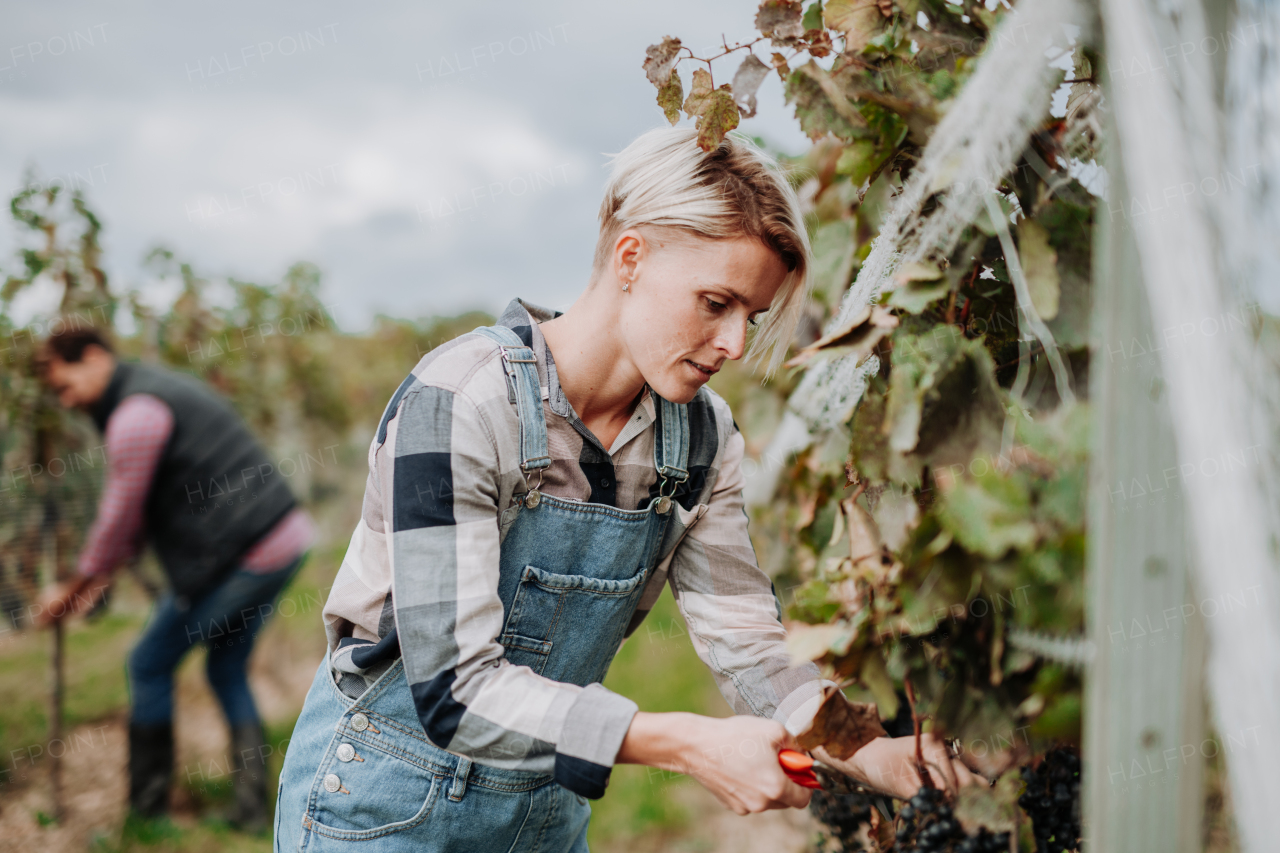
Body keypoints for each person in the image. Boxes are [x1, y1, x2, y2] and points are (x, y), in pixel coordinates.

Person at [274, 127, 973, 852]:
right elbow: (455, 688)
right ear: (630, 257)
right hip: (386, 806)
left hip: (540, 812)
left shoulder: (700, 437)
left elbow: (745, 639)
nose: (735, 343)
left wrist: (865, 749)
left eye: (752, 318)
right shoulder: (466, 401)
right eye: (715, 302)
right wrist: (688, 742)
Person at [35, 327, 314, 831]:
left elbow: (120, 517)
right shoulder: (150, 392)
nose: (65, 400)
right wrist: (98, 581)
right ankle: (255, 811)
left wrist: (71, 589)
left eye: (64, 384)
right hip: (278, 538)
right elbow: (142, 516)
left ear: (95, 358)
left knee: (148, 663)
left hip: (249, 550)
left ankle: (148, 813)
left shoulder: (135, 414)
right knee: (225, 669)